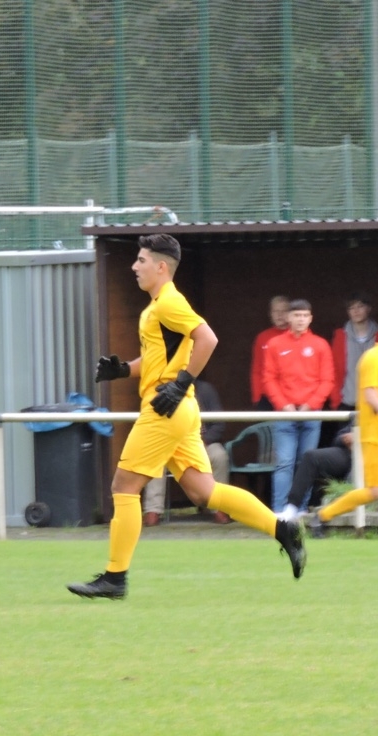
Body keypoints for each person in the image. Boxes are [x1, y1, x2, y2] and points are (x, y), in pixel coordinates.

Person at [68, 234, 305, 600]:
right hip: (180, 410)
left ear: (161, 267)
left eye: (141, 260)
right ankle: (282, 529)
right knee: (203, 491)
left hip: (166, 408)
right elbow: (157, 359)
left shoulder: (169, 303)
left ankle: (115, 578)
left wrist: (179, 384)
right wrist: (122, 371)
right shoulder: (157, 307)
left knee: (123, 487)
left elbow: (207, 339)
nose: (134, 266)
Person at [309, 318, 378, 541]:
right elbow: (371, 396)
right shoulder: (372, 358)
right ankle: (322, 516)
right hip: (376, 435)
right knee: (377, 491)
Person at [262, 298, 334, 514]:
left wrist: (310, 405)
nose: (301, 319)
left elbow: (327, 380)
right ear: (289, 318)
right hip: (284, 415)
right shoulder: (275, 344)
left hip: (311, 414)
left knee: (306, 463)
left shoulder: (320, 345)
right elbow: (269, 378)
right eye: (297, 315)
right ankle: (279, 510)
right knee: (284, 463)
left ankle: (299, 509)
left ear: (310, 318)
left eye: (305, 316)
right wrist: (284, 405)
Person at [141, 378, 231, 526]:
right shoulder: (162, 390)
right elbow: (153, 424)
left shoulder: (206, 390)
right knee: (155, 459)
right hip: (169, 444)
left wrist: (203, 441)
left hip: (200, 443)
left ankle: (219, 508)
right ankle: (153, 510)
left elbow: (219, 424)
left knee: (219, 455)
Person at [324, 292, 378, 447]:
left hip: (373, 403)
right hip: (347, 401)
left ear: (368, 309)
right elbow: (333, 369)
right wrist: (336, 400)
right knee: (345, 445)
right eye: (351, 308)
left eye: (360, 306)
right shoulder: (340, 336)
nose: (355, 311)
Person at [277, 422, 354, 521]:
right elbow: (338, 438)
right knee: (311, 457)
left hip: (372, 455)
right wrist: (345, 438)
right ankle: (291, 509)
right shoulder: (365, 413)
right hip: (350, 453)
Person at [249, 295, 290, 409]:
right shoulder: (262, 337)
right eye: (276, 311)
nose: (279, 315)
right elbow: (257, 369)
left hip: (290, 397)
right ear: (270, 314)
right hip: (266, 397)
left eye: (283, 311)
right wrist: (257, 397)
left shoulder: (296, 335)